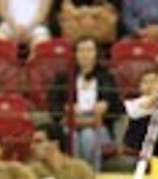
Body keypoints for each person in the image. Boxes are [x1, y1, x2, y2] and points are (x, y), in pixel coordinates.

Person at [48, 37, 124, 170]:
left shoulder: (107, 77)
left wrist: (105, 106)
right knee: (73, 138)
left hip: (98, 126)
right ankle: (75, 176)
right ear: (75, 54)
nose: (85, 54)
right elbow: (54, 106)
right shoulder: (63, 77)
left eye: (89, 50)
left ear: (96, 54)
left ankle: (90, 176)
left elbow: (118, 109)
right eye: (81, 50)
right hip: (71, 124)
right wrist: (66, 108)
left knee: (88, 137)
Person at [30, 123, 96, 179]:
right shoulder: (32, 171)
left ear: (55, 143)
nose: (32, 146)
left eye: (38, 141)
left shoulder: (81, 168)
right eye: (32, 142)